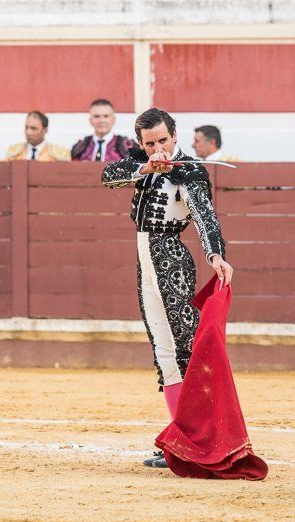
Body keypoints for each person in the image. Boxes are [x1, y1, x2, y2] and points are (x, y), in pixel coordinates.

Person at [101, 108, 233, 468]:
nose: (157, 147)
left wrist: (215, 254)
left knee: (184, 352)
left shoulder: (189, 170)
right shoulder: (139, 161)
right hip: (144, 261)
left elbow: (205, 214)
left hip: (171, 259)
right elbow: (107, 176)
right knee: (164, 354)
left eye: (163, 140)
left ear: (175, 135)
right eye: (149, 143)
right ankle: (178, 438)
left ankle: (196, 437)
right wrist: (145, 167)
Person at [71, 98, 138, 161]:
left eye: (106, 116)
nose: (101, 120)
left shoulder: (128, 146)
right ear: (90, 120)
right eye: (96, 116)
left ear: (113, 120)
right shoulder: (80, 147)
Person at [5, 111, 71, 161]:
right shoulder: (13, 152)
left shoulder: (60, 154)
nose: (28, 132)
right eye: (26, 127)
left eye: (33, 128)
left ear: (45, 130)